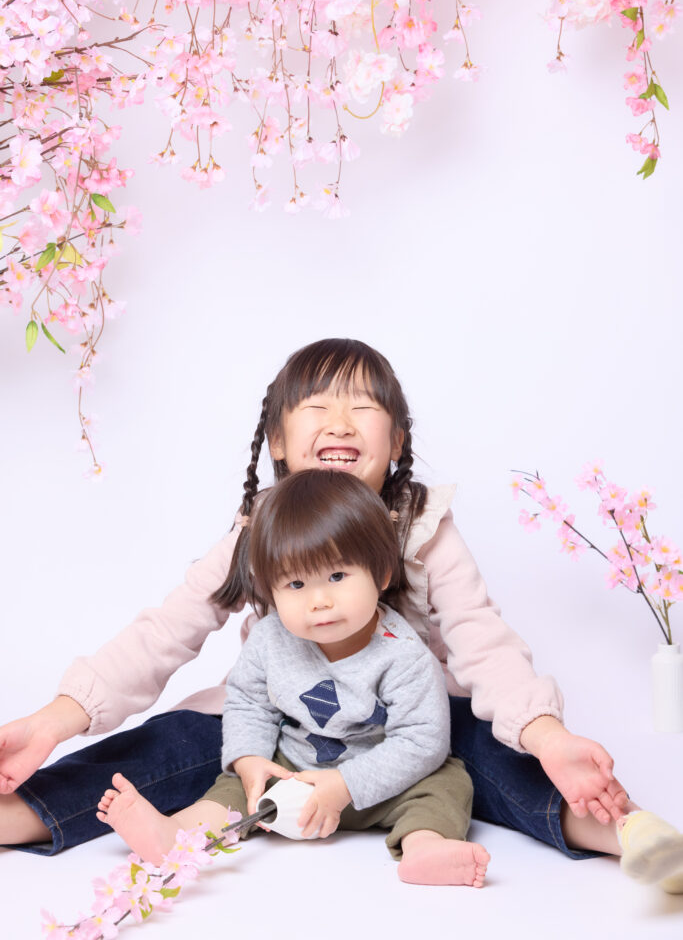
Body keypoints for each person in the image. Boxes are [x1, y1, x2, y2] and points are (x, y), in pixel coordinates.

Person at [1, 338, 682, 891]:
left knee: (503, 756)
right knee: (170, 741)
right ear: (277, 440)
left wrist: (547, 736)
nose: (339, 422)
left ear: (396, 442)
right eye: (316, 406)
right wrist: (52, 720)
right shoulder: (257, 531)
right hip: (278, 729)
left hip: (415, 730)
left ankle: (624, 831)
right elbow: (165, 632)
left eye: (362, 407)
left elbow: (483, 642)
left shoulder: (424, 529)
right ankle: (26, 814)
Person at [96, 470, 490, 887]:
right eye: (297, 583)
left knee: (445, 783)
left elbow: (421, 741)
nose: (319, 601)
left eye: (337, 577)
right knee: (233, 787)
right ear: (270, 591)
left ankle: (425, 845)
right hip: (291, 775)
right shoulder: (270, 639)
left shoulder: (404, 656)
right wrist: (250, 760)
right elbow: (248, 703)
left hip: (383, 785)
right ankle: (177, 835)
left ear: (382, 574)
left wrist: (345, 784)